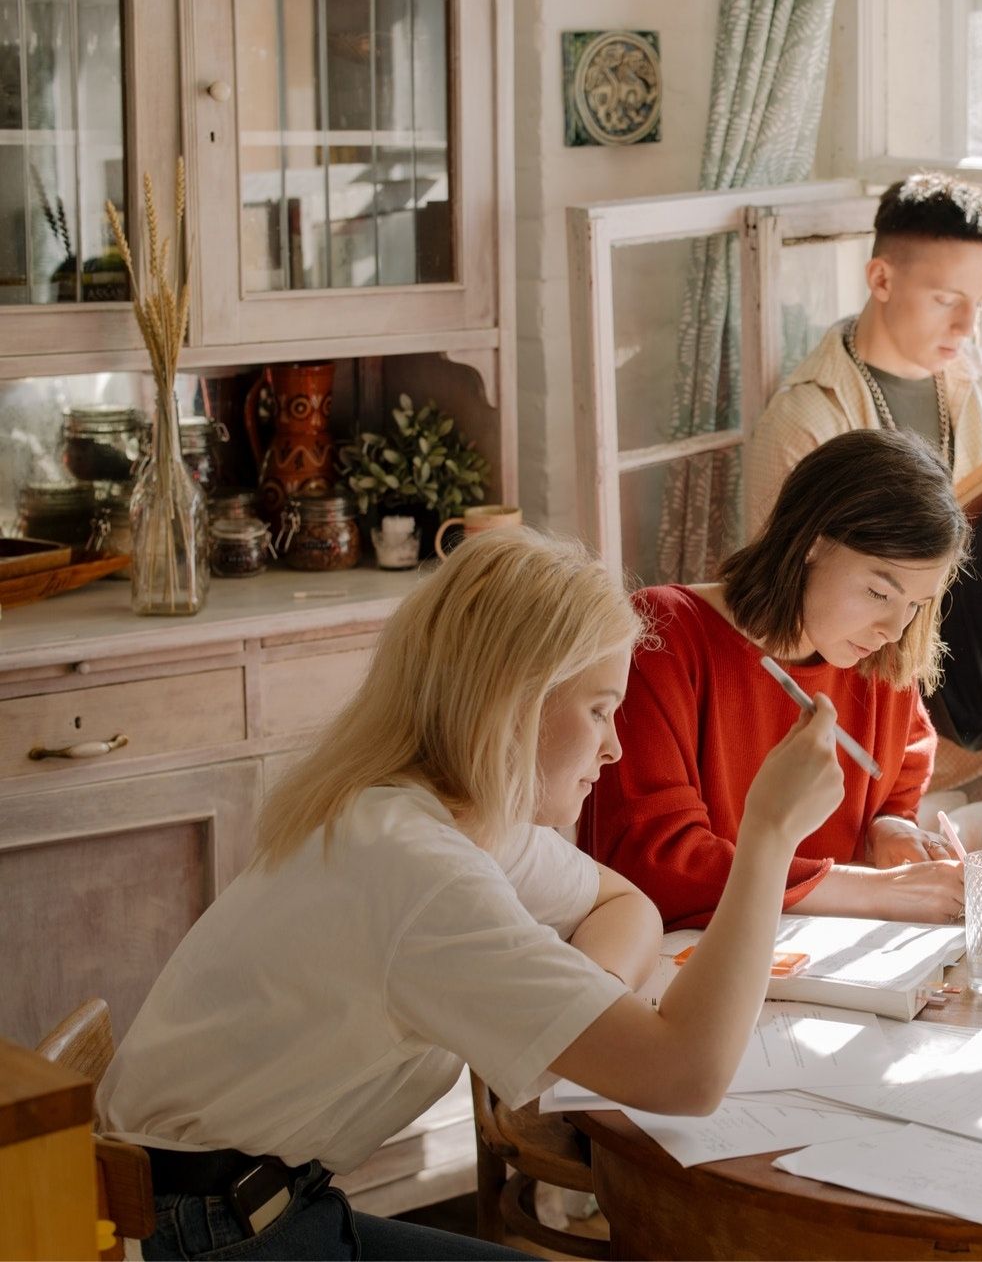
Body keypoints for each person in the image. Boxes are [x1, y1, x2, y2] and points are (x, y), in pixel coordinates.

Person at [98, 528, 846, 1260]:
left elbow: (625, 904)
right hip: (209, 1232)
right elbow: (687, 1075)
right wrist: (768, 836)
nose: (614, 745)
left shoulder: (438, 812)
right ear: (512, 702)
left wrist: (588, 1006)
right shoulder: (418, 870)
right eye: (597, 709)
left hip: (248, 1202)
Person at [743, 172, 982, 859]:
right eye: (946, 299)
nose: (967, 326)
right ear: (880, 278)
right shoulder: (808, 418)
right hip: (912, 683)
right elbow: (786, 616)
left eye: (980, 301)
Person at [582, 430, 974, 929]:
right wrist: (877, 892)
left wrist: (888, 826)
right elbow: (657, 864)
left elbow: (902, 770)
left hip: (827, 958)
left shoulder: (875, 652)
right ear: (811, 544)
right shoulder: (665, 636)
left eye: (916, 605)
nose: (895, 629)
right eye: (879, 593)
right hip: (688, 963)